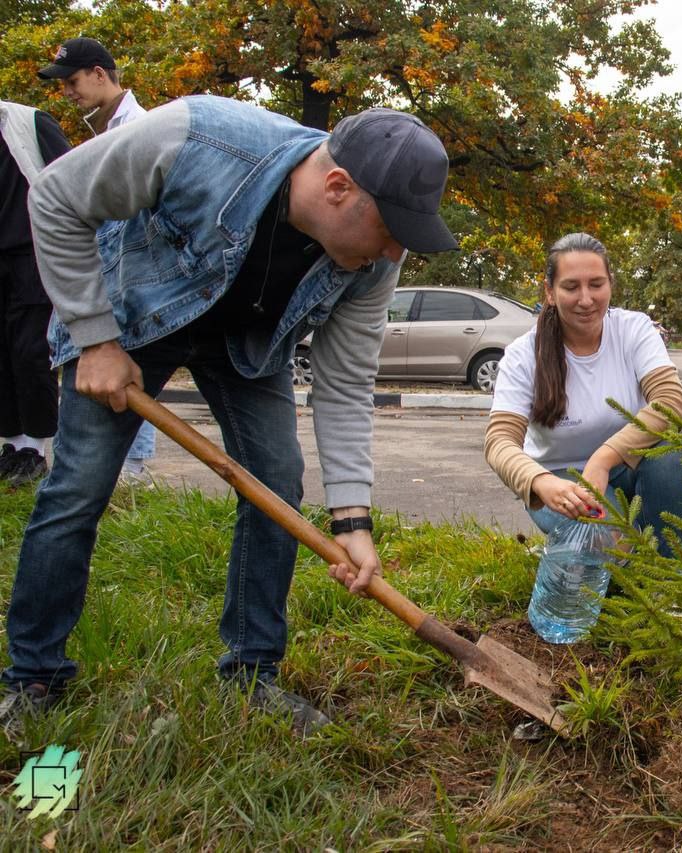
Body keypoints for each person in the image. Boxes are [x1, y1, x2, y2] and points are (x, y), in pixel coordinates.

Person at [0, 96, 457, 738]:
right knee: (77, 488)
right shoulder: (197, 138)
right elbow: (53, 198)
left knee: (277, 479)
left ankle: (251, 674)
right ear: (336, 188)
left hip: (249, 341)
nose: (391, 254)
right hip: (132, 319)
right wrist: (95, 338)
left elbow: (346, 382)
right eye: (388, 230)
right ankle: (34, 678)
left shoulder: (375, 261)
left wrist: (352, 518)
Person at [485, 233, 682, 557]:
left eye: (596, 284)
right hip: (562, 483)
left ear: (610, 284)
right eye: (571, 287)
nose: (586, 299)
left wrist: (603, 458)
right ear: (550, 292)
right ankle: (580, 547)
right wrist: (540, 482)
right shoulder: (522, 354)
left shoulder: (634, 330)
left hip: (626, 467)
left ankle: (668, 578)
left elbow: (672, 402)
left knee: (673, 452)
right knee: (612, 553)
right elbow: (499, 443)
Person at [39, 36, 156, 482]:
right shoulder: (107, 129)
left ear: (100, 74)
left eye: (72, 81)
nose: (68, 92)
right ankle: (121, 471)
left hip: (134, 274)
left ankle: (132, 470)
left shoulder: (138, 128)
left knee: (132, 368)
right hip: (113, 272)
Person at [0, 102, 70, 486]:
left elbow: (68, 176)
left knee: (30, 351)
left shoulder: (28, 120)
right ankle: (11, 445)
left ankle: (36, 447)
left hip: (31, 252)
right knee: (3, 353)